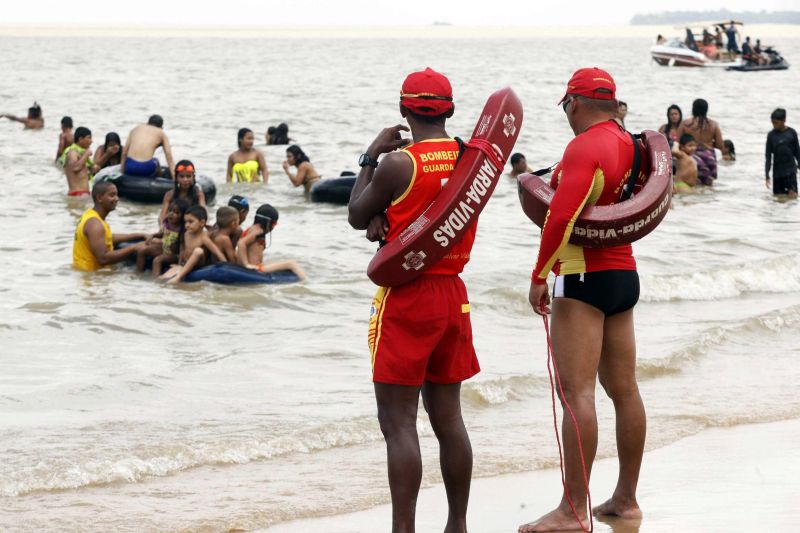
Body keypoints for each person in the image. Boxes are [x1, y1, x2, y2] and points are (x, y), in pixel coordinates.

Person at [347, 67, 480, 533]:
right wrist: (388, 217)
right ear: (450, 111)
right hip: (453, 294)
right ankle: (457, 525)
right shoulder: (468, 158)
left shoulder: (399, 163)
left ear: (404, 111)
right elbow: (437, 210)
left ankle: (404, 529)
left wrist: (371, 155)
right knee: (449, 418)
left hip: (408, 295)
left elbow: (355, 213)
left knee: (399, 423)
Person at [522, 67, 646, 533]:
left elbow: (561, 218)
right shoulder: (630, 143)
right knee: (625, 390)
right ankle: (626, 500)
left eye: (566, 108)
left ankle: (573, 510)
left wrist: (538, 275)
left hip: (582, 277)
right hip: (624, 274)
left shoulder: (584, 146)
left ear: (574, 103)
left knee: (577, 394)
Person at [72, 181, 149, 271]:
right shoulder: (95, 224)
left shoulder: (90, 215)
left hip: (85, 274)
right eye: (112, 195)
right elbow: (103, 259)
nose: (117, 199)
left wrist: (139, 235)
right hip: (92, 278)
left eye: (116, 195)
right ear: (99, 198)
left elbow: (106, 238)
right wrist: (134, 247)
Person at [159, 205, 227, 284]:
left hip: (198, 267)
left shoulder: (204, 237)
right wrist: (179, 264)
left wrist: (226, 266)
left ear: (202, 223)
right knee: (161, 279)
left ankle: (178, 277)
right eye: (185, 222)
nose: (187, 225)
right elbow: (183, 250)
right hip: (184, 265)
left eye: (191, 222)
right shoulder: (186, 234)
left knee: (198, 251)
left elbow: (217, 252)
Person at [236, 204, 306, 278]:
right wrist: (246, 265)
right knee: (292, 264)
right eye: (274, 224)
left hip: (254, 266)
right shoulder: (258, 231)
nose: (273, 227)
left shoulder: (251, 229)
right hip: (256, 269)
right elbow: (241, 243)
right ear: (268, 222)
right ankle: (306, 281)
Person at [677, 98, 730, 185]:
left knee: (693, 186)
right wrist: (708, 143)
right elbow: (720, 145)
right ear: (706, 109)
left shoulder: (685, 124)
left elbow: (677, 142)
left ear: (693, 109)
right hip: (709, 158)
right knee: (707, 188)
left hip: (691, 158)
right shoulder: (714, 125)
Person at [136, 198, 189, 275]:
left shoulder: (182, 229)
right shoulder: (168, 223)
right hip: (164, 249)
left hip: (174, 255)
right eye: (170, 210)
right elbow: (162, 234)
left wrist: (179, 264)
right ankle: (138, 274)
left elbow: (182, 248)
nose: (171, 214)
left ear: (183, 217)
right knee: (142, 251)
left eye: (176, 212)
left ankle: (156, 282)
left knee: (157, 260)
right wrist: (153, 235)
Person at [765, 108, 800, 198]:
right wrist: (767, 175)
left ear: (784, 120)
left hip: (790, 172)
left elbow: (797, 153)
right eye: (772, 122)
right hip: (777, 173)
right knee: (778, 199)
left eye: (776, 123)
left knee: (793, 197)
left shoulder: (792, 133)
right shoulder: (771, 135)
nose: (774, 125)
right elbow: (768, 156)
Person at [61, 126, 100, 196]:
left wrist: (92, 169)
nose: (91, 141)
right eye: (89, 138)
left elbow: (81, 174)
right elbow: (75, 168)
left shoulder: (80, 154)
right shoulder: (72, 152)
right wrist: (86, 154)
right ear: (80, 139)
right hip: (77, 195)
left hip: (82, 194)